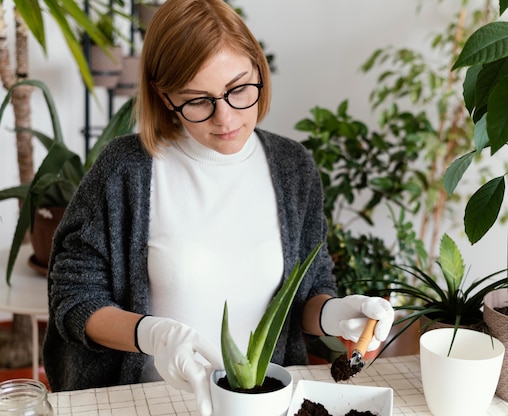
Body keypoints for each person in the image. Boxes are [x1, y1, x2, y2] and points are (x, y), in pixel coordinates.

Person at [43, 0, 394, 414]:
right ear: (163, 93)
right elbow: (72, 297)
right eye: (197, 100)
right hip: (151, 404)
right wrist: (150, 334)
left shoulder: (293, 167)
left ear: (258, 69)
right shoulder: (126, 170)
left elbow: (307, 295)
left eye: (239, 88)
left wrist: (335, 314)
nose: (225, 118)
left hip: (265, 406)